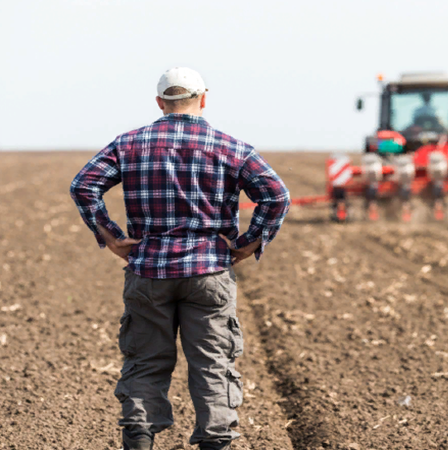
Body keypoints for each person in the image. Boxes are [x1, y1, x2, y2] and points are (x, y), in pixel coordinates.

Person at [70, 67, 291, 450]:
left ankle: (139, 438)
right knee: (213, 364)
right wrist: (248, 243)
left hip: (149, 270)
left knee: (145, 361)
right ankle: (215, 441)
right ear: (204, 99)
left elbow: (84, 185)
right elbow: (277, 196)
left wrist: (112, 237)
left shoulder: (129, 144)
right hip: (209, 272)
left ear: (160, 103)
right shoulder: (232, 147)